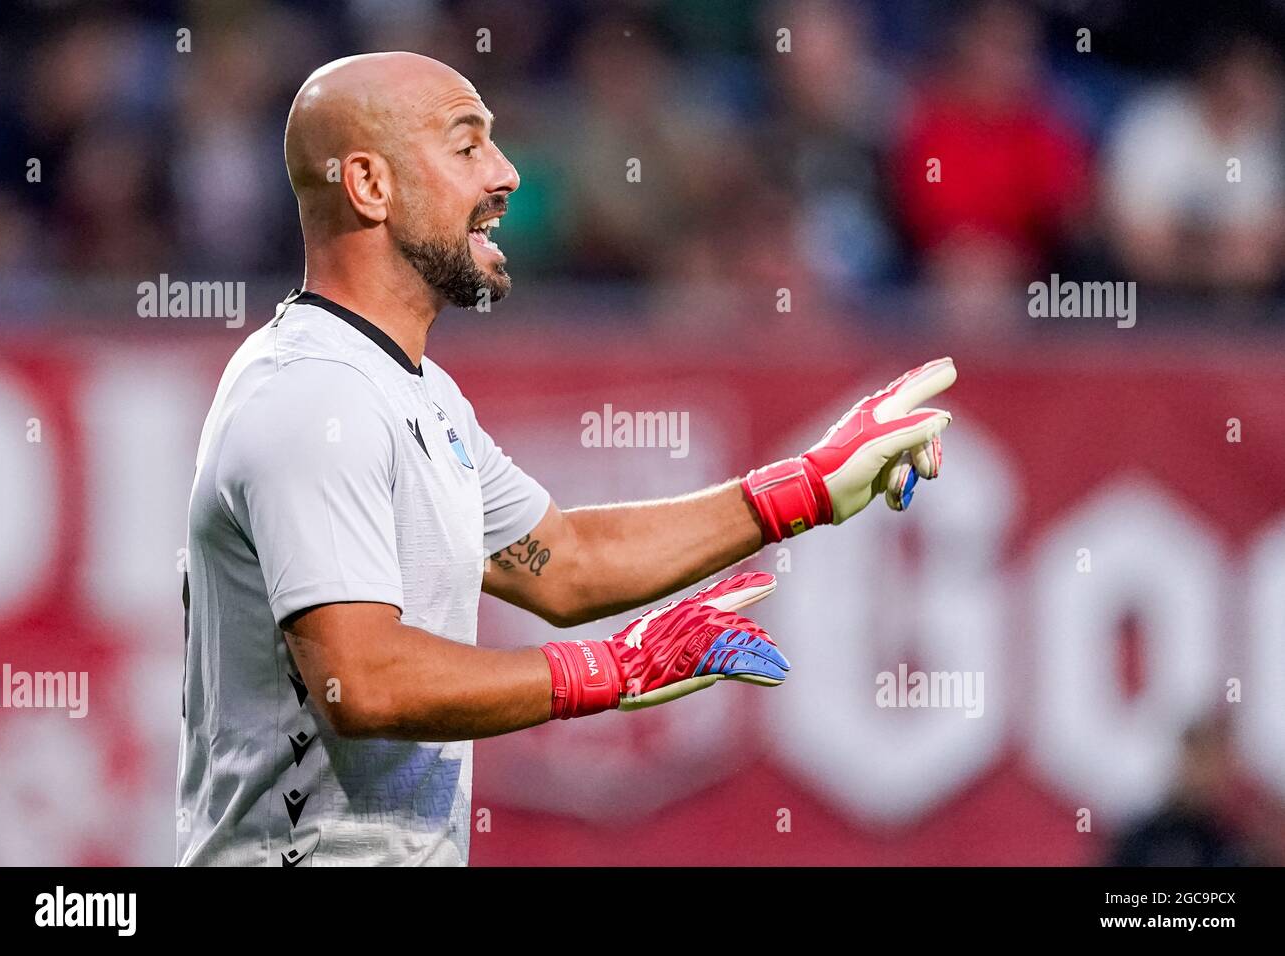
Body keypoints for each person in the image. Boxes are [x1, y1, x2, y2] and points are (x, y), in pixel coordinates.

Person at [175, 52, 955, 866]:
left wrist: (803, 489)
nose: (507, 174)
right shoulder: (312, 397)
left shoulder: (416, 392)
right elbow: (363, 679)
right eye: (467, 146)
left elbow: (567, 565)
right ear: (370, 185)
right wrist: (612, 669)